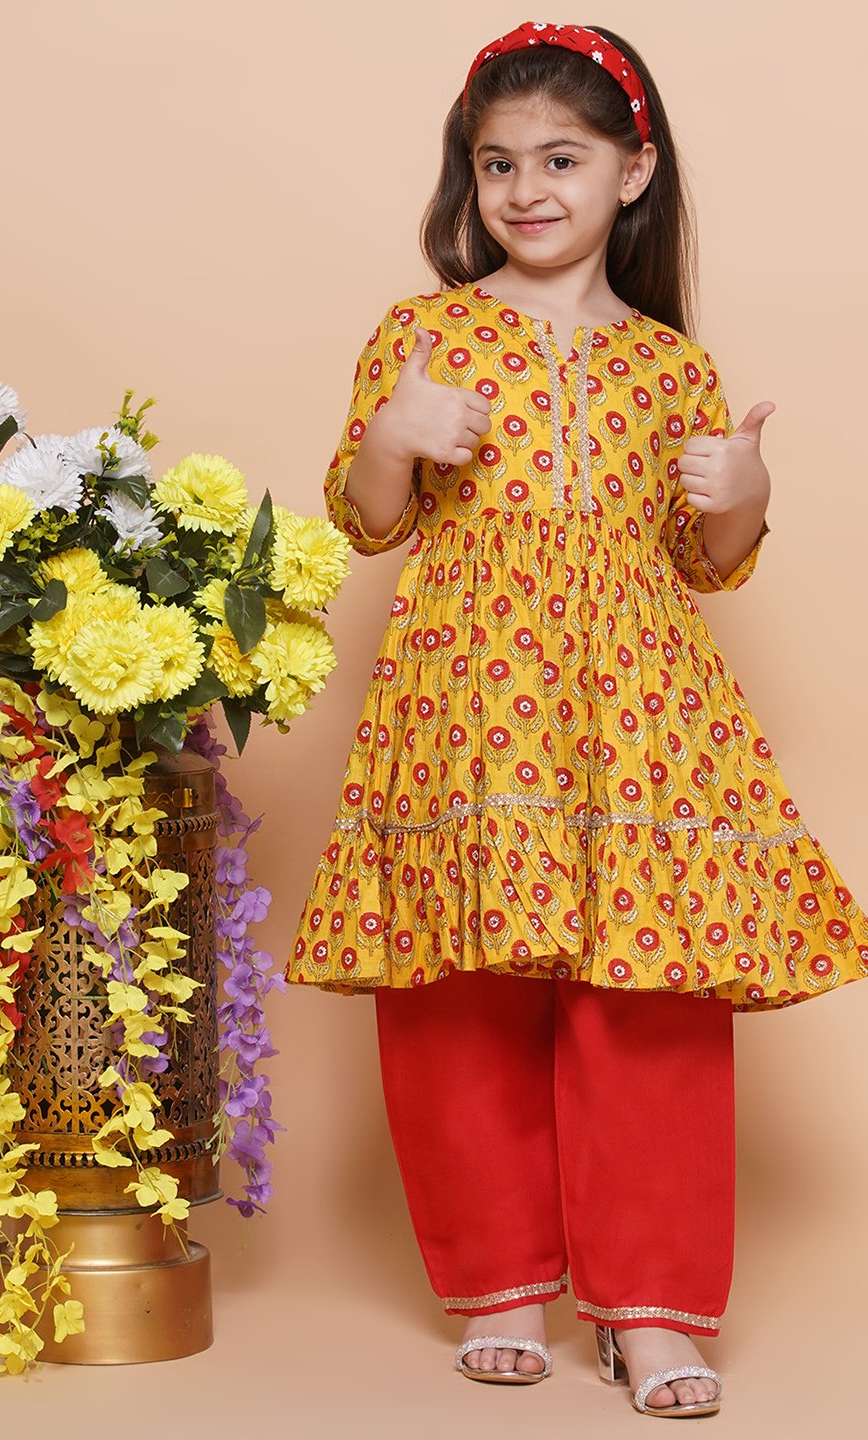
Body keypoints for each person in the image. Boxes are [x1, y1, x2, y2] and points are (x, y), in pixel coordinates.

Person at [286, 19, 868, 1419]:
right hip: (464, 697)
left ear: (633, 171)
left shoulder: (672, 365)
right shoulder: (424, 334)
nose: (527, 189)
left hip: (642, 708)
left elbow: (706, 561)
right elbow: (368, 522)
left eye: (562, 159)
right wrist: (391, 442)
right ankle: (498, 1284)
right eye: (498, 164)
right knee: (462, 987)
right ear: (469, 178)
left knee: (651, 989)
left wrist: (744, 496)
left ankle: (651, 1310)